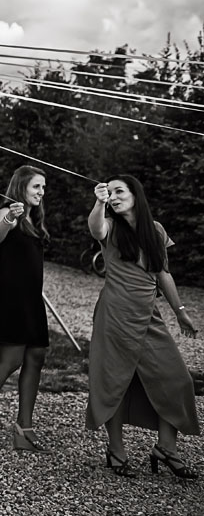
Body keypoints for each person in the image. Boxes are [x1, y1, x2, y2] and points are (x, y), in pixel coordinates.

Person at [86, 177, 199, 478]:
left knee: (177, 378)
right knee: (115, 382)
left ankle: (165, 448)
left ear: (136, 194)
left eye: (119, 191)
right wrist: (99, 202)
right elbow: (95, 228)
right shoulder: (109, 225)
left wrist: (180, 311)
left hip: (148, 315)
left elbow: (163, 274)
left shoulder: (156, 230)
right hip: (114, 315)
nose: (113, 196)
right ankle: (116, 450)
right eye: (110, 193)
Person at [0, 165, 50, 451]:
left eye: (43, 187)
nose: (41, 192)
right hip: (11, 296)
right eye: (36, 187)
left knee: (36, 355)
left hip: (32, 297)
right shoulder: (8, 213)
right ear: (21, 188)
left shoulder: (35, 219)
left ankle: (23, 427)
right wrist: (9, 218)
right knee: (12, 358)